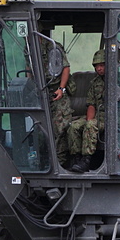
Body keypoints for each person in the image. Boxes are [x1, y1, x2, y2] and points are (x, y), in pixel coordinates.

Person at [68, 49, 105, 173]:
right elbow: (91, 104)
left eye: (101, 65)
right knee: (74, 126)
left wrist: (90, 124)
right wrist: (90, 119)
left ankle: (86, 160)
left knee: (90, 125)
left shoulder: (118, 81)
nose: (98, 69)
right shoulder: (95, 83)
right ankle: (76, 159)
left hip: (111, 118)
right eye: (96, 66)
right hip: (98, 116)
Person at [41, 37, 73, 166]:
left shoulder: (53, 48)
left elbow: (66, 68)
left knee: (60, 127)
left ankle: (60, 163)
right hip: (42, 92)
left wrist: (61, 88)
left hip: (56, 91)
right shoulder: (28, 48)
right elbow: (29, 67)